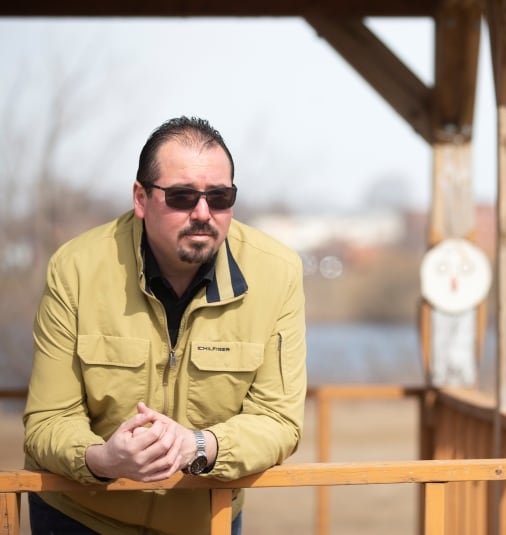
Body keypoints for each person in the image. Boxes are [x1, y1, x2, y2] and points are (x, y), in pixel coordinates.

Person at [23, 116, 307, 534]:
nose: (203, 213)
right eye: (181, 196)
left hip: (207, 520)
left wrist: (199, 446)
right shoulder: (76, 268)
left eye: (221, 196)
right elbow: (48, 420)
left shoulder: (278, 273)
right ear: (141, 198)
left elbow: (279, 420)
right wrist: (102, 460)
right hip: (77, 516)